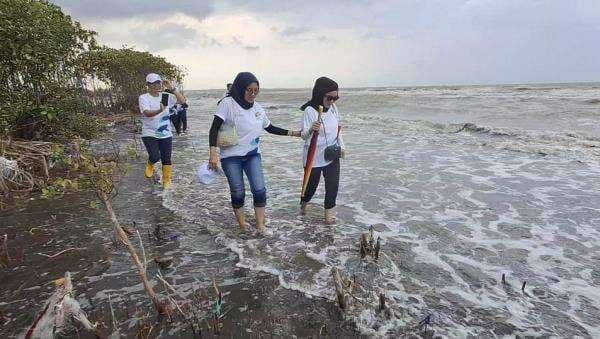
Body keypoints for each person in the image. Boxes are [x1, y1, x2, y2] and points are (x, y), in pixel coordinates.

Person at [208, 72, 301, 234]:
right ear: (240, 88)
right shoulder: (227, 104)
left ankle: (260, 225)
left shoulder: (258, 108)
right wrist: (213, 153)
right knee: (238, 192)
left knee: (259, 190)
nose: (252, 94)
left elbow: (270, 128)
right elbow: (214, 128)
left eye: (256, 91)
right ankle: (243, 224)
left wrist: (295, 133)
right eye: (249, 90)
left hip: (252, 155)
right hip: (231, 157)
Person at [299, 77, 345, 224]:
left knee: (332, 188)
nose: (332, 101)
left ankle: (329, 222)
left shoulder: (333, 108)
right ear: (320, 93)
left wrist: (342, 147)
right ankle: (303, 207)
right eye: (329, 97)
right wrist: (312, 129)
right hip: (314, 158)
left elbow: (338, 129)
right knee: (310, 188)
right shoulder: (310, 111)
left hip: (331, 155)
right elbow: (303, 136)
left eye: (335, 97)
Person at [138, 73, 186, 188]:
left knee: (166, 159)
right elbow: (147, 113)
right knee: (155, 156)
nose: (157, 85)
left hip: (165, 133)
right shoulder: (143, 97)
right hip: (149, 132)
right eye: (154, 83)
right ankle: (150, 163)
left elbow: (182, 101)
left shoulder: (166, 96)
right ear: (148, 85)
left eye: (158, 82)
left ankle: (166, 181)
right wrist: (160, 110)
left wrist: (172, 89)